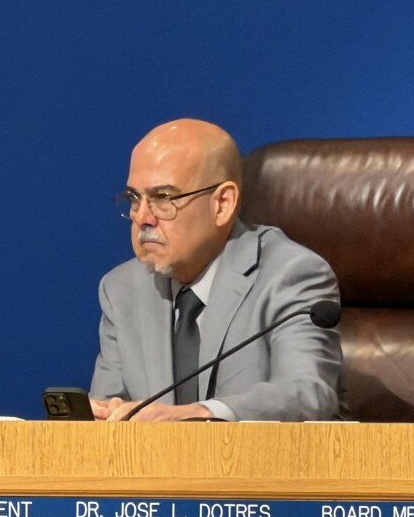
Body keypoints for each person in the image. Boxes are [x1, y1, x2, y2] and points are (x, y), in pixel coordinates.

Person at [89, 118, 343, 421]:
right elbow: (110, 405)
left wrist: (198, 415)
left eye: (163, 198)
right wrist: (99, 419)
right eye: (134, 198)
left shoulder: (290, 274)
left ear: (222, 204)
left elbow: (308, 393)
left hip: (255, 465)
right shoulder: (121, 288)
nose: (142, 217)